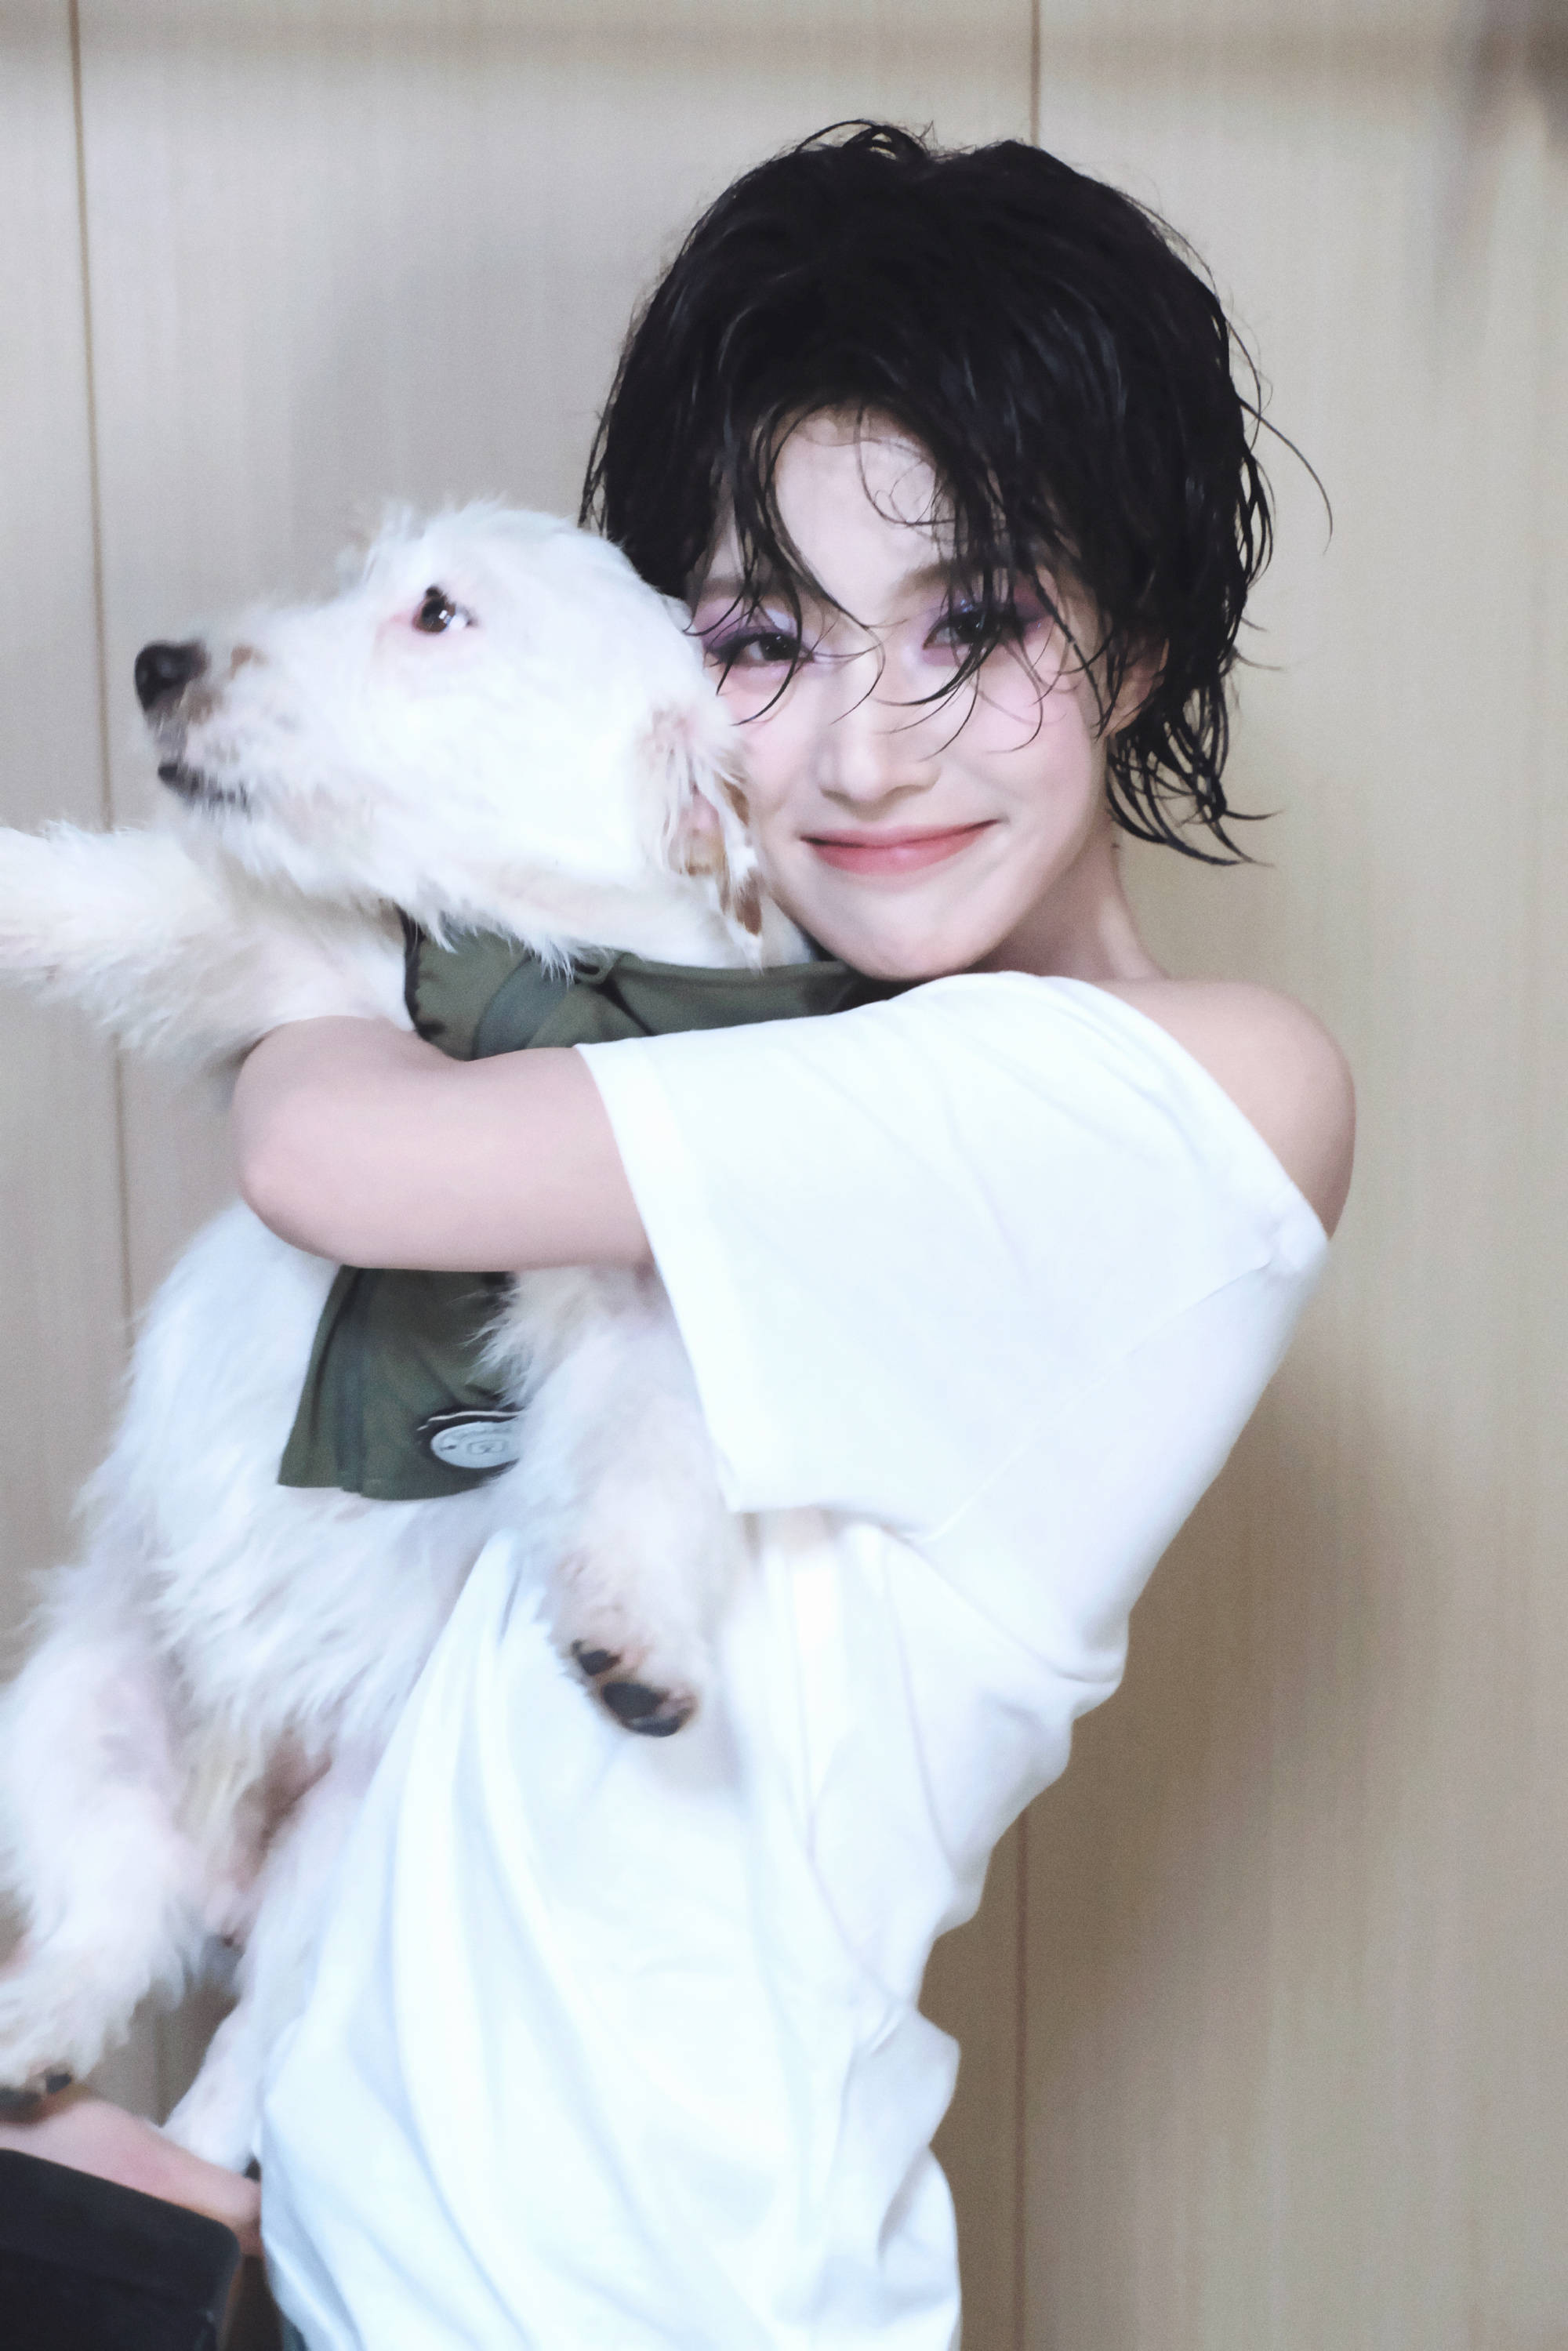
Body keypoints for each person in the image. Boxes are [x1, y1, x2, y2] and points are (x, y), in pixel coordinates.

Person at [3, 123, 1352, 2348]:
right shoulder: (749, 1063)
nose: (868, 749)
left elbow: (341, 1160)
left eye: (980, 620)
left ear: (1137, 636)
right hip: (345, 2259)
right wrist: (220, 2147)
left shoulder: (1173, 1095)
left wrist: (318, 961)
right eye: (762, 639)